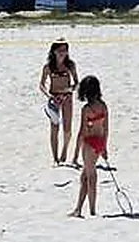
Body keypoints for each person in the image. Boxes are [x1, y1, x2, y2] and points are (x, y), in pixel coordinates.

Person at [70, 76, 109, 217]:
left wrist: (75, 153)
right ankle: (79, 208)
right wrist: (104, 147)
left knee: (90, 177)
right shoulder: (103, 106)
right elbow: (106, 128)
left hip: (89, 143)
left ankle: (91, 210)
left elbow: (82, 132)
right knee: (85, 176)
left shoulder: (87, 109)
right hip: (99, 142)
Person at [38, 39, 79, 166]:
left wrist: (69, 90)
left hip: (66, 97)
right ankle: (55, 158)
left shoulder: (70, 65)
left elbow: (77, 83)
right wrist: (49, 96)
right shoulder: (48, 67)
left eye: (65, 50)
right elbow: (42, 84)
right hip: (54, 98)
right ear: (54, 51)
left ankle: (65, 150)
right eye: (60, 50)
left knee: (67, 128)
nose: (63, 53)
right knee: (54, 128)